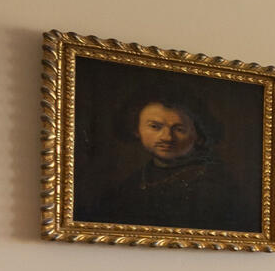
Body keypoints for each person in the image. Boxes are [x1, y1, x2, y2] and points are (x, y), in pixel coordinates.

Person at [83, 92, 254, 232]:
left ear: (198, 135)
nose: (167, 137)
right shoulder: (129, 184)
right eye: (155, 127)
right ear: (136, 129)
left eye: (179, 129)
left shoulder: (215, 184)